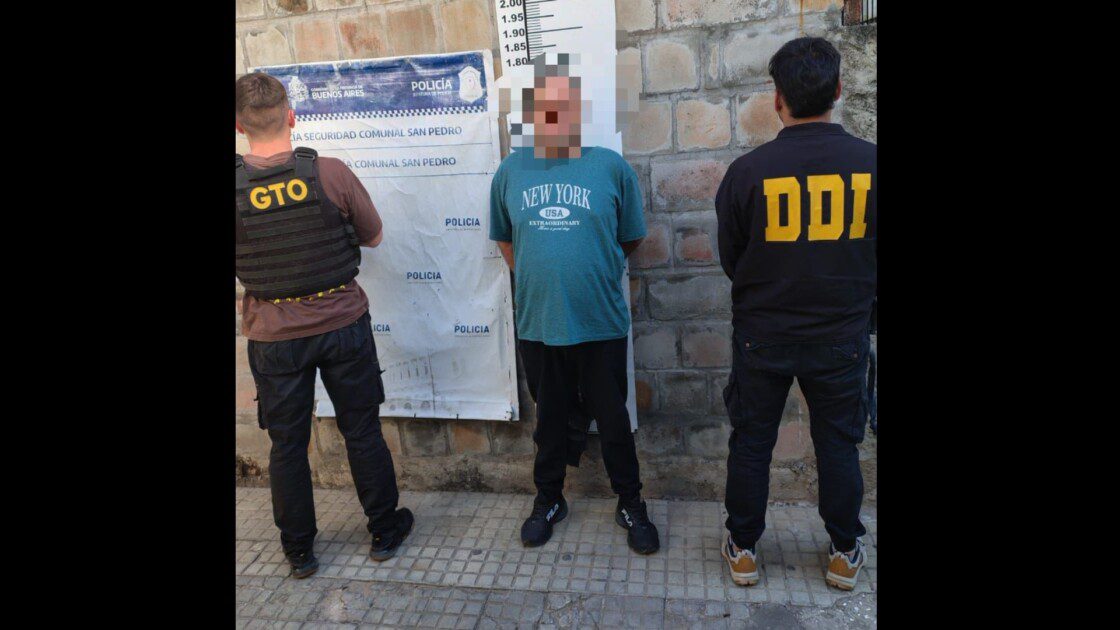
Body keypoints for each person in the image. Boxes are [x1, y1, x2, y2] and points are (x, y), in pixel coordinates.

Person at [235, 72, 413, 578]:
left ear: (239, 126)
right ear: (291, 117)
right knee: (362, 429)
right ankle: (384, 530)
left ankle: (299, 552)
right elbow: (373, 238)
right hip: (342, 325)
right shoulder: (329, 172)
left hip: (274, 338)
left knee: (287, 444)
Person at [714, 37, 877, 591]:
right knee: (838, 445)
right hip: (842, 337)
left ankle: (743, 548)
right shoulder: (871, 166)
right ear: (839, 90)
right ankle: (844, 551)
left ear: (777, 98)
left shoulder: (747, 172)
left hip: (763, 335)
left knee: (752, 442)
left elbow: (733, 259)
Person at [489, 55, 659, 554]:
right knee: (549, 422)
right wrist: (541, 273)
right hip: (539, 323)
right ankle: (549, 500)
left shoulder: (610, 168)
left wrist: (593, 268)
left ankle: (631, 503)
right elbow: (505, 239)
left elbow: (630, 237)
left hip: (600, 322)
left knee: (614, 420)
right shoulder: (511, 171)